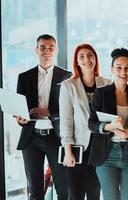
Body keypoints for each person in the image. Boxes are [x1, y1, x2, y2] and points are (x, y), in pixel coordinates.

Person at [16, 34, 71, 200]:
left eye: (50, 47)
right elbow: (20, 108)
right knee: (35, 191)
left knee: (63, 190)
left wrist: (49, 113)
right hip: (31, 138)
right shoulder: (24, 77)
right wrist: (20, 119)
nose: (47, 51)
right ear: (36, 50)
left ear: (56, 50)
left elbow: (71, 110)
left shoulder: (66, 77)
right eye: (43, 47)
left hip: (57, 137)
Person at [88, 48, 128, 200]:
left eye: (127, 68)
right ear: (112, 69)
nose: (123, 71)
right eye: (119, 67)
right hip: (107, 154)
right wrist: (109, 127)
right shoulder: (101, 93)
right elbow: (92, 123)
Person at [59, 43, 110, 200]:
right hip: (78, 146)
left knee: (95, 193)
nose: (87, 59)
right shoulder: (68, 86)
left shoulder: (107, 83)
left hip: (101, 146)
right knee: (76, 194)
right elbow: (66, 120)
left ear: (95, 58)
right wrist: (67, 151)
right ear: (77, 62)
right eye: (82, 56)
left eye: (90, 55)